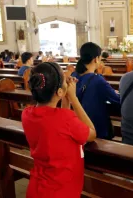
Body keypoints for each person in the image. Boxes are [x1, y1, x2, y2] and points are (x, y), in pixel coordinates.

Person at [22, 62, 96, 198]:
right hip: (61, 190)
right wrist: (73, 98)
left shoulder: (27, 113)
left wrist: (65, 98)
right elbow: (91, 133)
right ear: (59, 91)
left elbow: (59, 122)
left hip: (37, 187)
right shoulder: (65, 120)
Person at [72, 42, 120, 139]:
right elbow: (117, 100)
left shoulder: (73, 76)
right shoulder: (97, 80)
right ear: (96, 59)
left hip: (78, 126)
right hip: (96, 129)